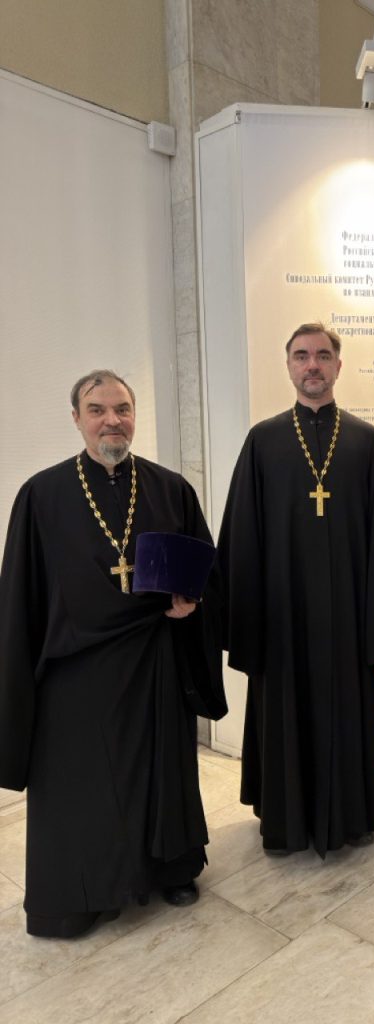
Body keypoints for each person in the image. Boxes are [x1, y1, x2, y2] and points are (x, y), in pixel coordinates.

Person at [0, 370, 227, 938]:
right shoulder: (41, 496)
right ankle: (83, 891)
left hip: (155, 659)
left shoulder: (170, 489)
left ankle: (172, 866)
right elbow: (21, 598)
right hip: (77, 670)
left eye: (122, 409)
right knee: (83, 784)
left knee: (162, 771)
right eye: (98, 410)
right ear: (76, 418)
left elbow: (207, 572)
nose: (112, 421)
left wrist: (192, 603)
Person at [217, 323, 374, 857]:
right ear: (289, 366)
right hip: (282, 616)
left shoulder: (365, 440)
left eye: (322, 355)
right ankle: (286, 819)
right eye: (301, 356)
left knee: (346, 708)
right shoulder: (263, 440)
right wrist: (246, 618)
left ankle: (352, 816)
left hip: (347, 616)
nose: (312, 365)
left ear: (338, 365)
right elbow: (241, 535)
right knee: (285, 710)